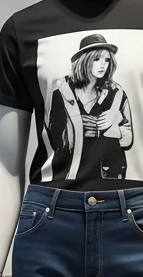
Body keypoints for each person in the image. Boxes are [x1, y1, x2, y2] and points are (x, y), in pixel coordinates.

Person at [46, 33, 134, 180]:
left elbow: (128, 137)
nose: (103, 65)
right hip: (70, 175)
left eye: (107, 60)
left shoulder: (117, 93)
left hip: (110, 173)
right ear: (84, 60)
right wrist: (80, 126)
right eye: (97, 59)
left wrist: (115, 130)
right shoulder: (61, 92)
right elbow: (54, 138)